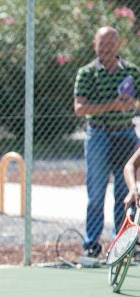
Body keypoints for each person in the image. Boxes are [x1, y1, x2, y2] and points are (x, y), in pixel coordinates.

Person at [74, 26, 139, 258]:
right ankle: (91, 245)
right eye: (102, 45)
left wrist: (131, 104)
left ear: (118, 46)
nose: (106, 49)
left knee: (125, 192)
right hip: (98, 135)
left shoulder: (132, 72)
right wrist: (113, 105)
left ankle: (121, 245)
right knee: (96, 193)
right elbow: (80, 108)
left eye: (110, 45)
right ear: (95, 45)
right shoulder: (87, 73)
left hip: (125, 134)